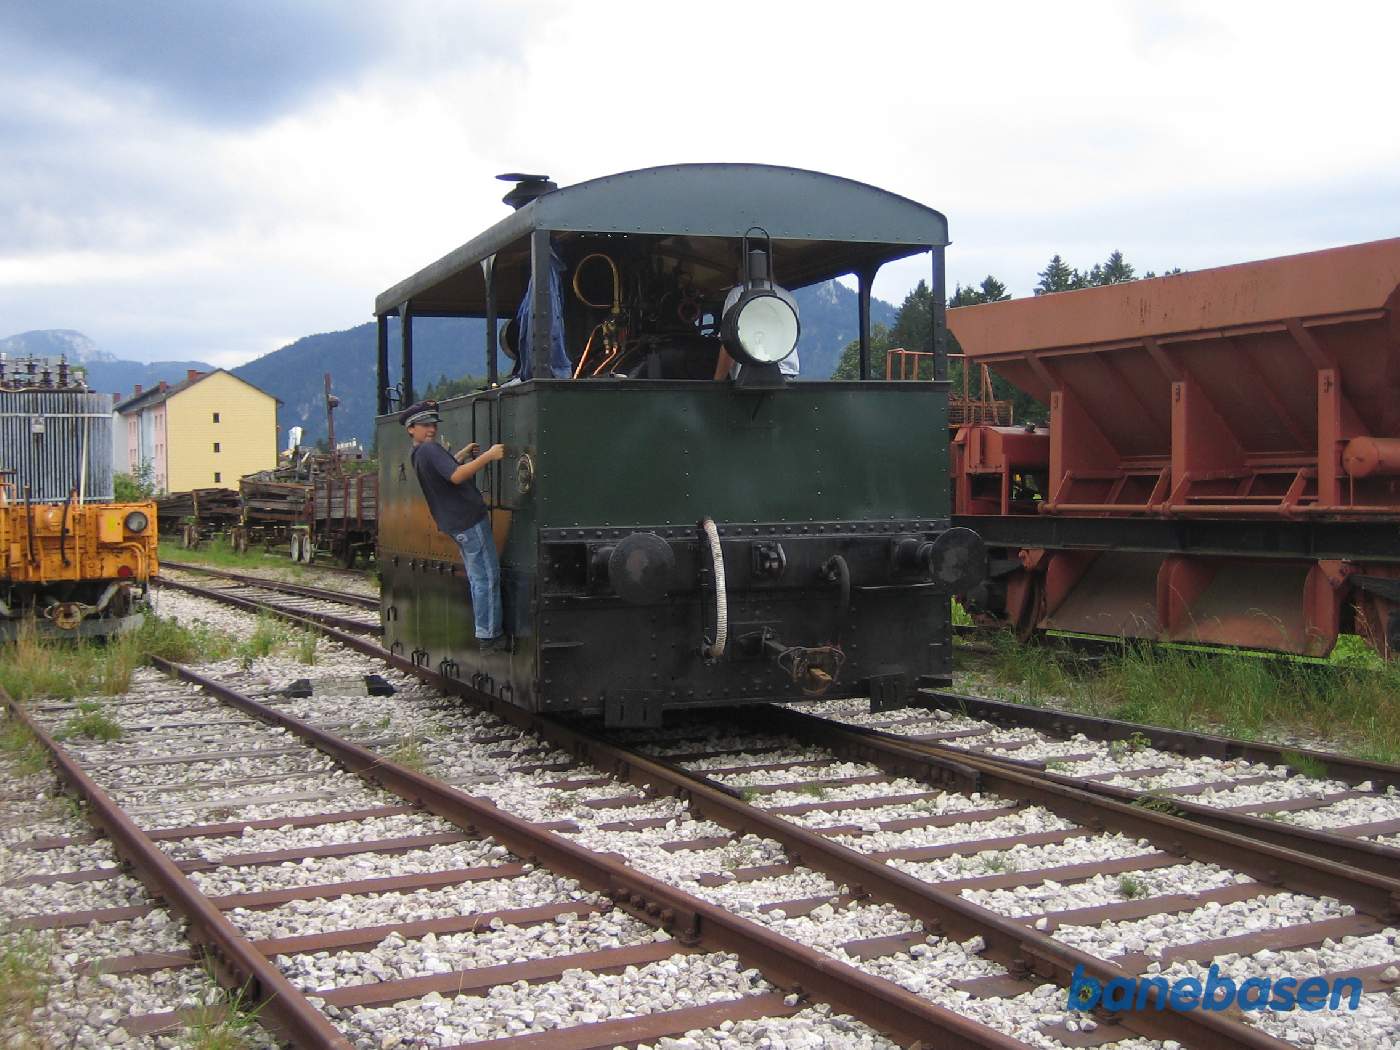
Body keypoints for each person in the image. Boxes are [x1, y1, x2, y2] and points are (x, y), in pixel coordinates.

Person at [399, 400, 508, 651]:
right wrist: (489, 456)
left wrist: (460, 455)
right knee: (486, 577)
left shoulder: (417, 452)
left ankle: (486, 631)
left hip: (455, 522)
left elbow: (446, 469)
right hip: (468, 519)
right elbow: (456, 476)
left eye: (433, 424)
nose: (431, 429)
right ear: (411, 428)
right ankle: (490, 635)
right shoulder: (430, 450)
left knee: (477, 575)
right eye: (425, 425)